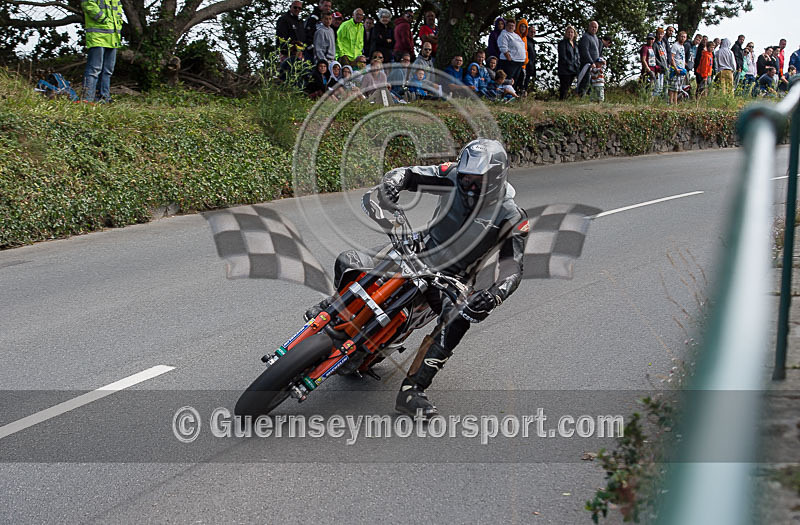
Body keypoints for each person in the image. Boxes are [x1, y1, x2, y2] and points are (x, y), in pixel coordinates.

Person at [378, 139, 528, 416]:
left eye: (476, 180)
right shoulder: (451, 175)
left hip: (450, 279)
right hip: (417, 250)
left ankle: (413, 392)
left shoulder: (511, 216)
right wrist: (394, 181)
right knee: (353, 260)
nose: (468, 184)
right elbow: (410, 174)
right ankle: (328, 308)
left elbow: (513, 268)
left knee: (458, 320)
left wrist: (494, 295)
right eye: (465, 176)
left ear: (496, 178)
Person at [81, 0, 124, 103]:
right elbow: (88, 5)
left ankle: (104, 97)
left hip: (112, 38)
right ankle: (88, 99)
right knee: (94, 69)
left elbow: (118, 12)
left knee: (108, 70)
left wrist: (117, 22)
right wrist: (103, 19)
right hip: (98, 37)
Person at [497, 18, 526, 86]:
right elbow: (503, 47)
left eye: (512, 25)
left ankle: (511, 94)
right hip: (510, 61)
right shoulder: (504, 34)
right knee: (507, 80)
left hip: (519, 62)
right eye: (509, 25)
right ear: (506, 26)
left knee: (515, 81)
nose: (511, 27)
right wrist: (509, 58)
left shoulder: (516, 35)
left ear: (515, 27)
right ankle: (504, 94)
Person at [577, 20, 601, 97]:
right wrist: (591, 62)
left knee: (593, 82)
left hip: (595, 65)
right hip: (587, 64)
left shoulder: (596, 38)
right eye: (592, 27)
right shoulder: (585, 37)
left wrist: (599, 62)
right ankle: (580, 97)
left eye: (595, 27)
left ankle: (589, 97)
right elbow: (585, 51)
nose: (593, 29)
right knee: (585, 82)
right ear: (588, 27)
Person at [558, 25, 580, 100]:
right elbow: (563, 57)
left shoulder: (576, 45)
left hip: (574, 69)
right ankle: (561, 101)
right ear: (566, 33)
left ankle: (564, 101)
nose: (570, 34)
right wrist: (569, 66)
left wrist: (577, 66)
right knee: (564, 87)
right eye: (568, 32)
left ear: (574, 34)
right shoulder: (562, 43)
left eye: (571, 32)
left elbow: (577, 57)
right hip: (565, 70)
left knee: (568, 87)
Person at [668, 30, 688, 104]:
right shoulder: (675, 45)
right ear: (678, 37)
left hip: (681, 69)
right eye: (682, 36)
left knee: (677, 88)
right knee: (672, 87)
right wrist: (675, 68)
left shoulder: (682, 46)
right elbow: (672, 57)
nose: (683, 38)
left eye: (684, 37)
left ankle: (675, 103)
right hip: (675, 69)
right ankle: (671, 102)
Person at [514, 19, 532, 94]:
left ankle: (519, 94)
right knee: (515, 79)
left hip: (523, 64)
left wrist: (526, 60)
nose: (523, 28)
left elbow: (525, 50)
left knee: (522, 80)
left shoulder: (525, 38)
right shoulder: (515, 36)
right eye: (521, 26)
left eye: (525, 27)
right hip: (515, 62)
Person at [652, 28, 669, 97]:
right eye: (659, 34)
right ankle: (653, 101)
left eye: (661, 34)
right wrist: (659, 64)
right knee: (657, 86)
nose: (660, 35)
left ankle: (658, 100)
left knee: (662, 86)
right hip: (658, 68)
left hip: (664, 67)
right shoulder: (655, 44)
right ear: (656, 35)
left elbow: (665, 55)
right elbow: (654, 56)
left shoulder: (663, 44)